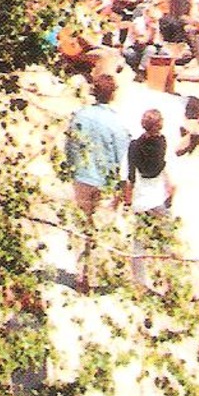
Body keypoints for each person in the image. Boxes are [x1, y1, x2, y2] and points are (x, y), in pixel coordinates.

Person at [63, 73, 132, 292]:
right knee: (101, 227)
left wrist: (72, 168)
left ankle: (80, 274)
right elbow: (124, 157)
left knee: (81, 224)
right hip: (105, 181)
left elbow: (69, 144)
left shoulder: (80, 115)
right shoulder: (116, 122)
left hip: (82, 176)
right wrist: (125, 187)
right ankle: (94, 277)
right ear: (112, 94)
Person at [124, 108, 175, 290]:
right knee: (167, 243)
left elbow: (130, 177)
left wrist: (126, 201)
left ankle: (139, 284)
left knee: (138, 245)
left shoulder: (134, 146)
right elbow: (168, 176)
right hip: (158, 198)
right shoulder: (162, 144)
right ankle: (170, 284)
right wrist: (171, 198)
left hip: (141, 201)